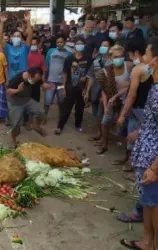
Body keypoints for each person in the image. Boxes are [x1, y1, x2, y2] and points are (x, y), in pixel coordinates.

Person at [120, 36, 158, 250]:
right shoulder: (154, 88)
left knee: (154, 204)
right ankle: (148, 242)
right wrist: (140, 131)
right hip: (148, 154)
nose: (143, 59)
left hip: (154, 160)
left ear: (156, 61)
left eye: (147, 55)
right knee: (150, 204)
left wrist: (154, 168)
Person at [116, 41, 152, 169]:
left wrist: (122, 114)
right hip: (143, 108)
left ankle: (136, 166)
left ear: (135, 53)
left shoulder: (139, 69)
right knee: (133, 134)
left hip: (140, 109)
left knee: (138, 137)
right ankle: (131, 162)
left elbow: (132, 95)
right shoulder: (151, 68)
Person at [96, 45, 133, 154]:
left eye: (121, 56)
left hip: (127, 99)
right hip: (112, 100)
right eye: (116, 57)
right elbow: (104, 90)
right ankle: (104, 144)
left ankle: (126, 153)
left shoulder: (130, 66)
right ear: (111, 58)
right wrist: (105, 105)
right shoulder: (107, 71)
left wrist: (116, 96)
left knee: (122, 126)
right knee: (104, 122)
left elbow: (131, 87)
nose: (119, 59)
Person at [54, 38, 92, 135]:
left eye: (81, 43)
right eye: (77, 43)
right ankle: (59, 127)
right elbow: (65, 74)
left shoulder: (88, 59)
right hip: (70, 88)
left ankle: (78, 125)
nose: (79, 45)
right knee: (65, 109)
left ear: (84, 46)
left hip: (82, 89)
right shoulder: (69, 58)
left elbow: (90, 76)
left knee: (80, 109)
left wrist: (87, 90)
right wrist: (63, 88)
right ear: (74, 45)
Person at [7, 67, 46, 148]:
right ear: (29, 75)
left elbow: (41, 82)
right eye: (34, 80)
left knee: (41, 112)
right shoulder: (17, 78)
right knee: (15, 125)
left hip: (27, 100)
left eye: (36, 80)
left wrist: (47, 85)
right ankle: (14, 141)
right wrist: (17, 90)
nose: (34, 82)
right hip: (16, 103)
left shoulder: (36, 77)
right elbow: (8, 91)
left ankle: (35, 125)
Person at [87, 39, 113, 142]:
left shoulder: (112, 63)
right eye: (102, 45)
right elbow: (91, 77)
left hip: (107, 94)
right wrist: (87, 91)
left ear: (110, 48)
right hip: (95, 92)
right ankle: (99, 134)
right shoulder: (96, 61)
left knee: (102, 116)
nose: (103, 48)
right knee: (96, 115)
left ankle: (103, 137)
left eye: (105, 46)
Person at [0, 11, 32, 80]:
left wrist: (28, 21)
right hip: (12, 79)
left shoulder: (25, 48)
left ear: (21, 38)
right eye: (14, 36)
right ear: (11, 38)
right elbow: (0, 37)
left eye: (18, 36)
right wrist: (1, 22)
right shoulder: (7, 48)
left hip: (23, 79)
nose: (16, 37)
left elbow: (30, 36)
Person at [44, 36, 72, 118]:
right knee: (48, 99)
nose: (59, 44)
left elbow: (68, 69)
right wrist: (45, 79)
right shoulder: (51, 51)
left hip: (61, 82)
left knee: (61, 100)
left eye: (61, 42)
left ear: (64, 43)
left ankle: (61, 118)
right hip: (51, 81)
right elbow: (46, 65)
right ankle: (44, 117)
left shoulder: (69, 54)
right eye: (57, 42)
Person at [28, 37, 47, 103]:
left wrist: (43, 83)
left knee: (35, 101)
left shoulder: (41, 56)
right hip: (26, 82)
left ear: (39, 44)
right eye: (31, 44)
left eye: (35, 44)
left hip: (36, 82)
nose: (33, 45)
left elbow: (43, 71)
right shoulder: (25, 54)